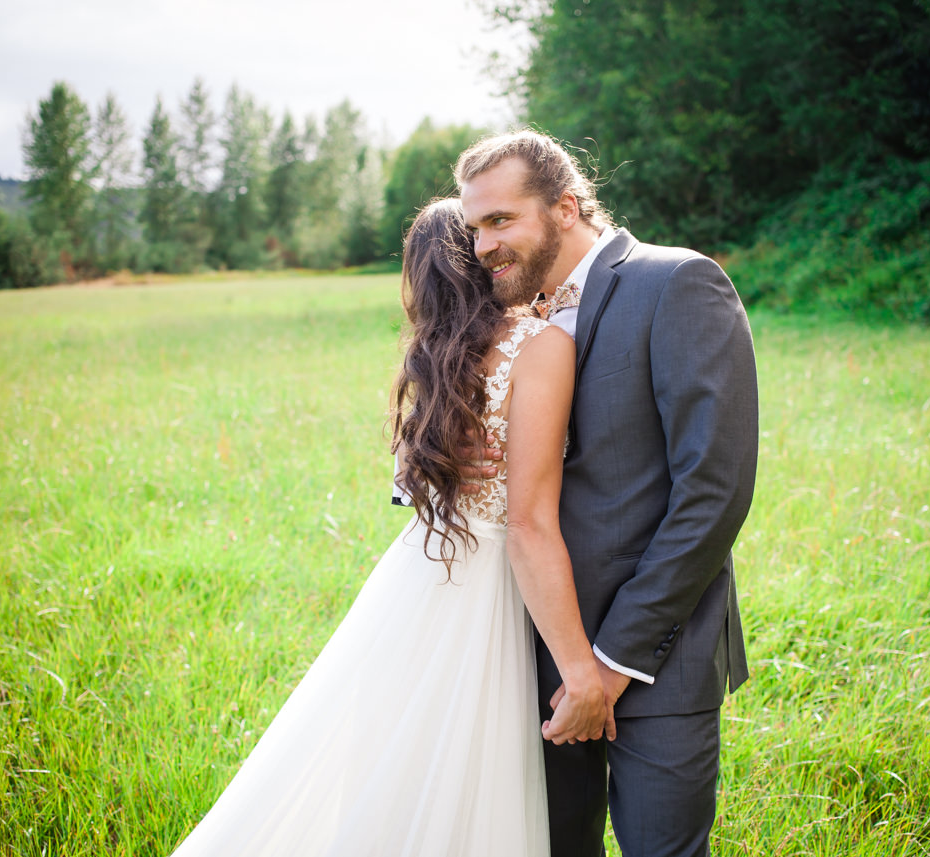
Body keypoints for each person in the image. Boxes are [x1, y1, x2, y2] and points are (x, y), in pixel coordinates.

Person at [169, 198, 610, 857]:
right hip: (493, 577)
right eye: (486, 235)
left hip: (422, 571)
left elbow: (412, 476)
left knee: (404, 755)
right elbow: (530, 516)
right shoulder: (541, 344)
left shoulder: (439, 353)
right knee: (476, 766)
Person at [455, 130, 759, 857]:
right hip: (527, 653)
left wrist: (614, 663)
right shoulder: (501, 318)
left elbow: (712, 492)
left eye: (501, 220)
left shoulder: (676, 282)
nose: (483, 246)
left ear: (565, 206)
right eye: (473, 228)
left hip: (658, 657)